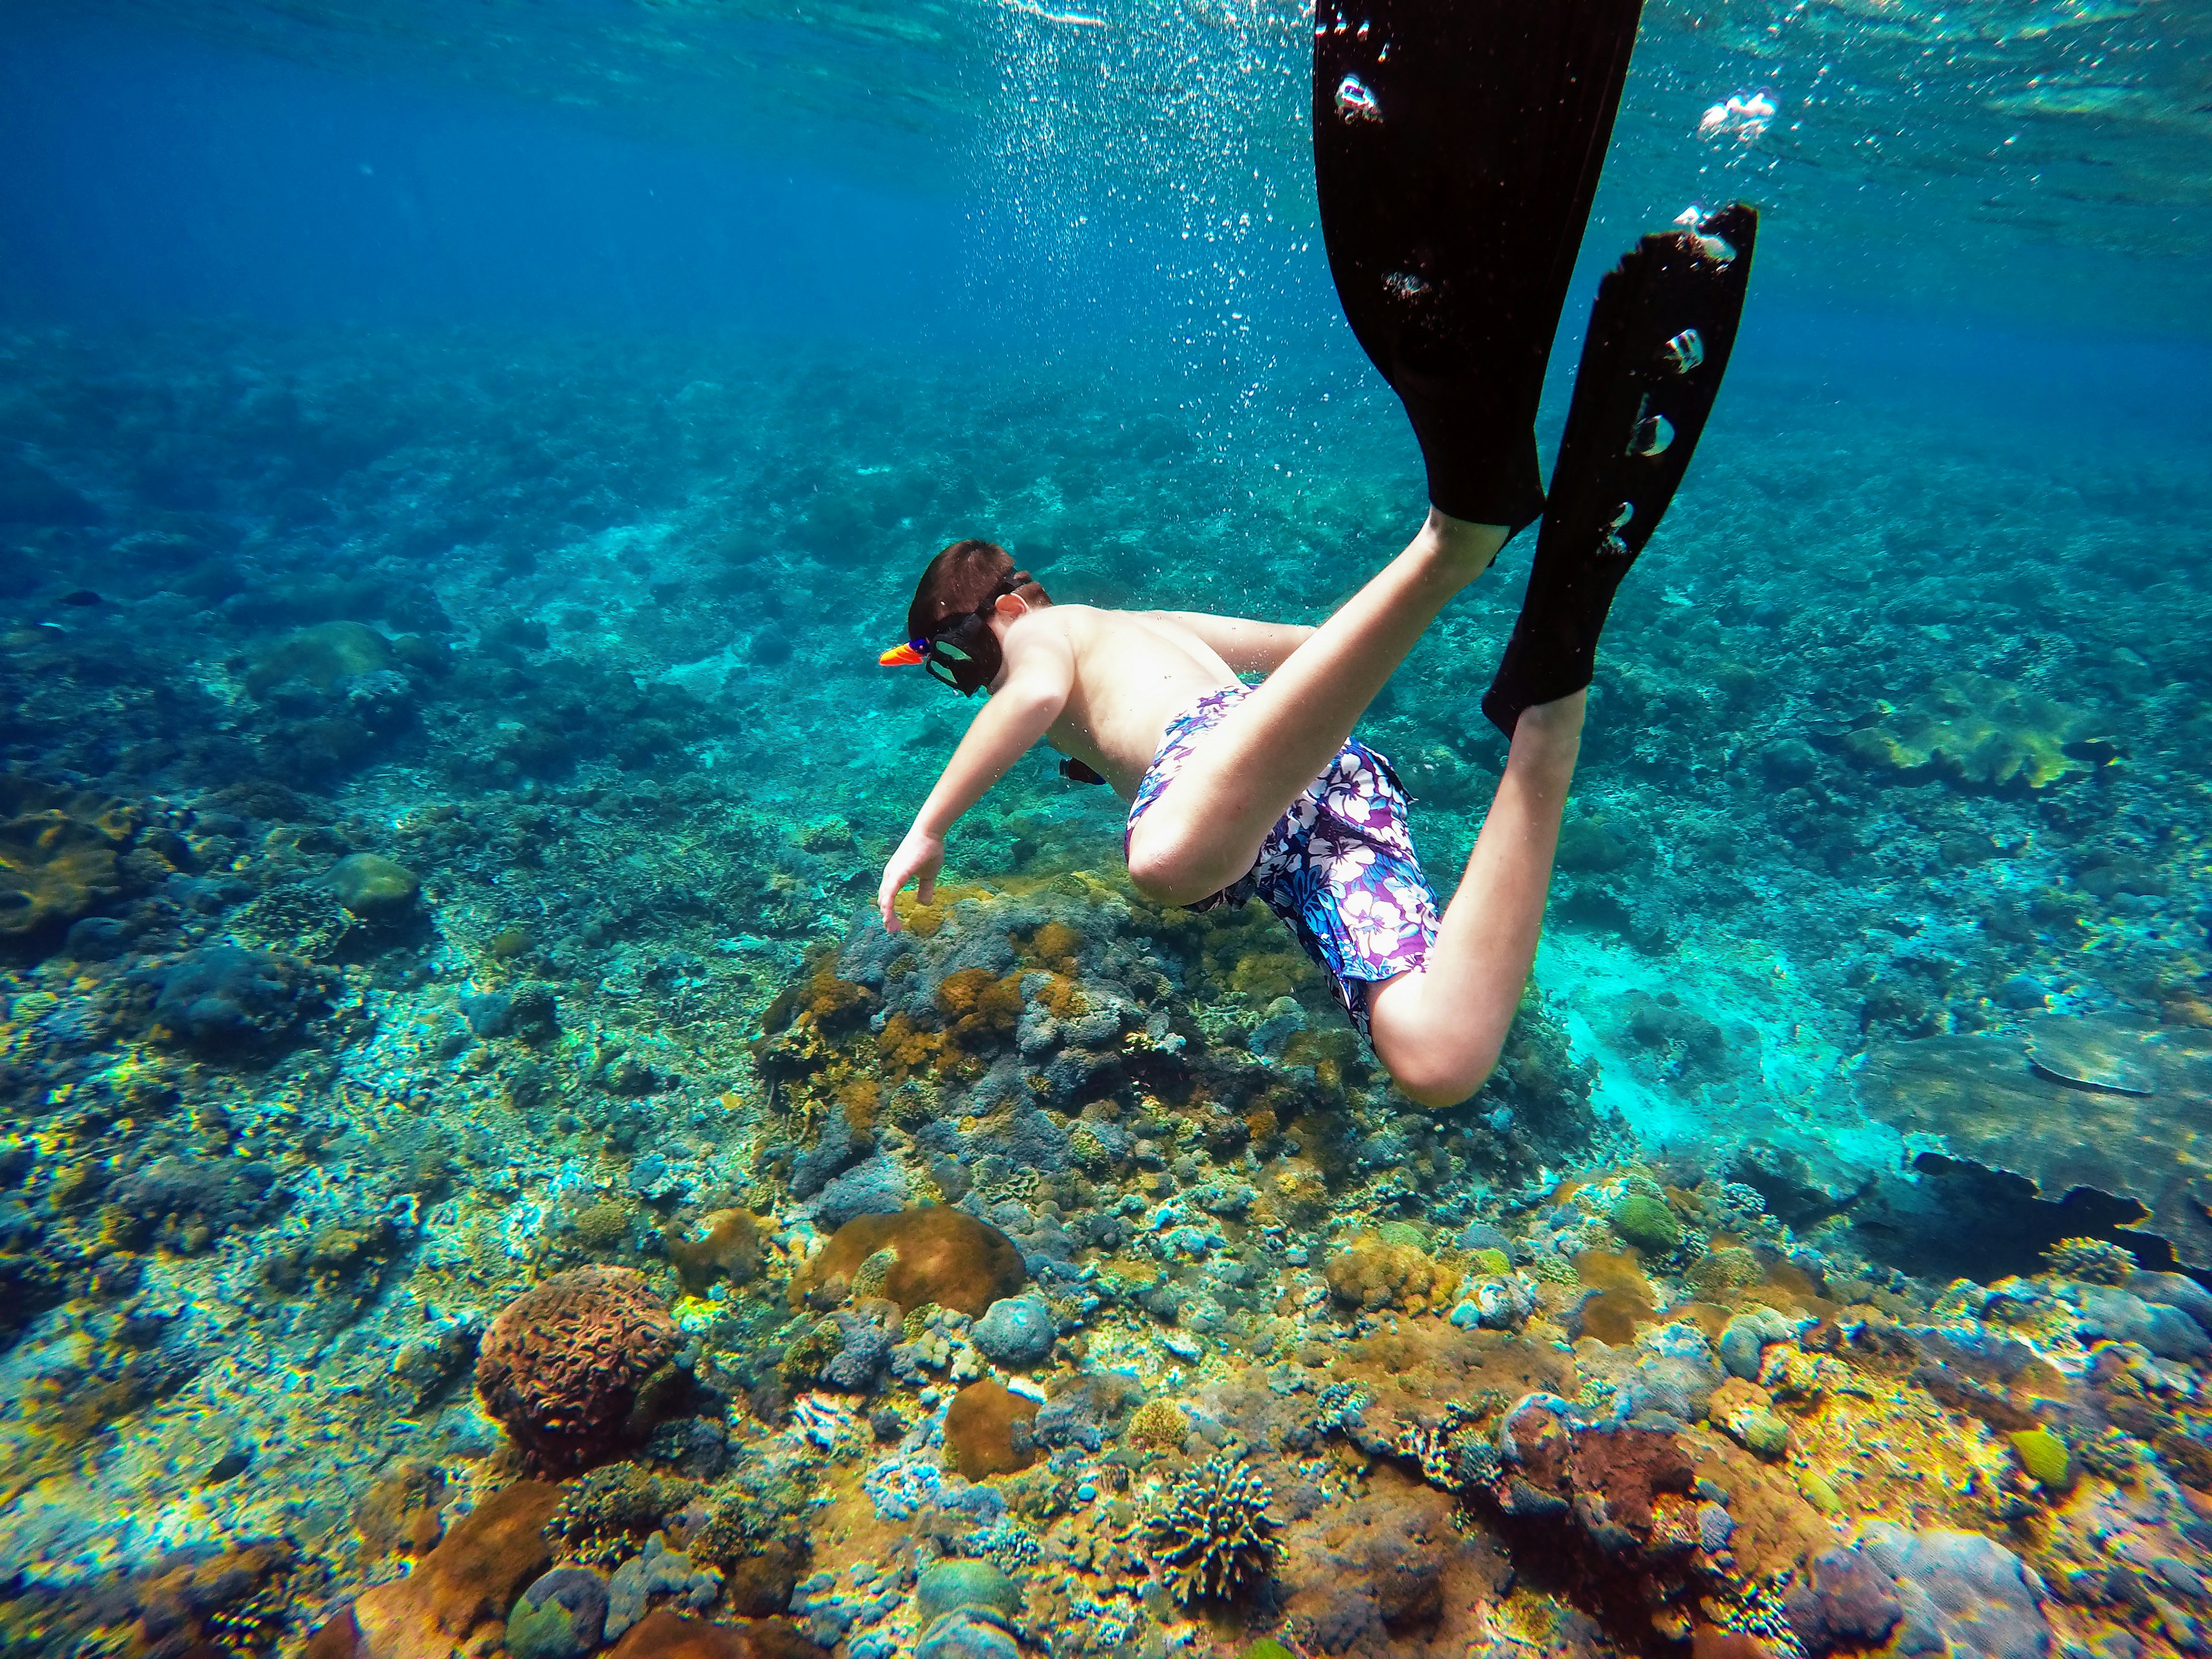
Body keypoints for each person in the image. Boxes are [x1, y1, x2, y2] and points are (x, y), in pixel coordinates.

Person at [874, 0, 1757, 1108]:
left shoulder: (1049, 636)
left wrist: (929, 827)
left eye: (961, 653)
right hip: (1306, 804)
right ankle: (1550, 707)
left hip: (1240, 789)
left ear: (1000, 609)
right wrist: (1413, 633)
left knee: (1161, 866)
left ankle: (1457, 537)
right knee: (1438, 1061)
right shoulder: (1150, 627)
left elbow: (1030, 696)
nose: (978, 681)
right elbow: (1309, 649)